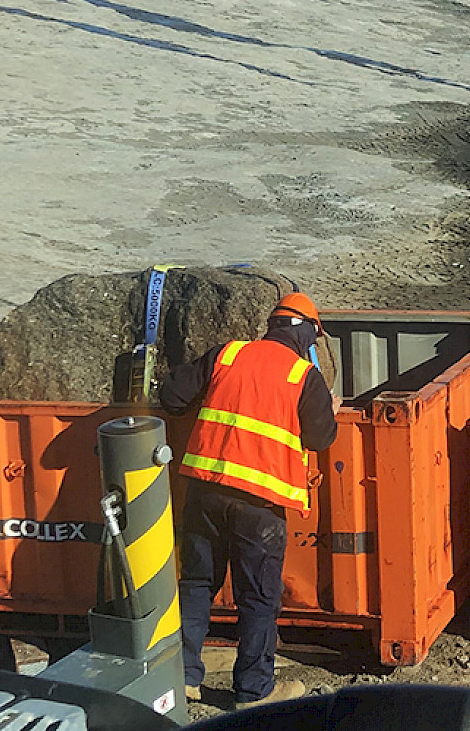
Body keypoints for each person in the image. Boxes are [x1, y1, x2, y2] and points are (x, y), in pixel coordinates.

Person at [162, 291, 337, 708]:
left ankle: (184, 677)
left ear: (273, 325)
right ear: (310, 333)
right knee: (258, 598)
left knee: (197, 584)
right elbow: (321, 438)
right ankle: (254, 690)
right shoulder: (302, 376)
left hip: (205, 490)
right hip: (259, 505)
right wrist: (327, 407)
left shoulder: (229, 354)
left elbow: (171, 398)